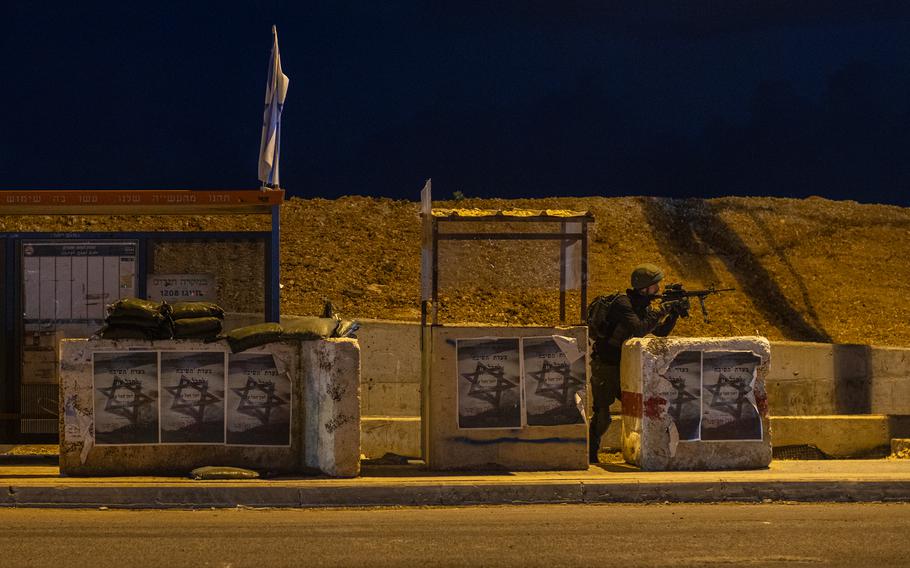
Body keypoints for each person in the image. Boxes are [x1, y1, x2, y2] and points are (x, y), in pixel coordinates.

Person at [587, 263, 688, 463]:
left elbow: (660, 332)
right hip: (606, 366)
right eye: (655, 286)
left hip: (627, 366)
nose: (658, 290)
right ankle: (590, 453)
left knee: (641, 409)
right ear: (645, 287)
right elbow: (639, 329)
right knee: (602, 416)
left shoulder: (642, 306)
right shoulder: (623, 304)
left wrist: (673, 313)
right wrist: (661, 310)